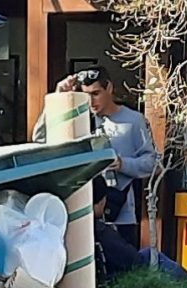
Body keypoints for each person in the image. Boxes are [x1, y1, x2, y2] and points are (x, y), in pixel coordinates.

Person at [32, 69, 156, 227]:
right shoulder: (78, 118)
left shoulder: (133, 120)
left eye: (95, 93)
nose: (90, 102)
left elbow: (153, 163)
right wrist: (58, 98)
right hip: (80, 212)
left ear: (109, 88)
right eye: (86, 95)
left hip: (119, 213)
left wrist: (123, 164)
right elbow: (40, 138)